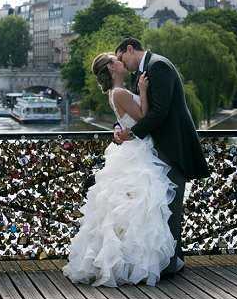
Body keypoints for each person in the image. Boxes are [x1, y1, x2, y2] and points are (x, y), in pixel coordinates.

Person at [63, 52, 180, 286]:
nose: (121, 61)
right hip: (137, 150)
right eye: (115, 60)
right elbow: (144, 117)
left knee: (127, 210)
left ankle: (126, 262)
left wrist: (120, 126)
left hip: (130, 148)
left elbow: (126, 120)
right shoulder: (120, 93)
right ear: (111, 69)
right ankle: (135, 264)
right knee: (139, 207)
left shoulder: (115, 93)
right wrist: (144, 91)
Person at [113, 37, 209, 277]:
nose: (123, 64)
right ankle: (169, 259)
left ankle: (170, 262)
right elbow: (140, 111)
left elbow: (160, 112)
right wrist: (121, 126)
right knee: (162, 206)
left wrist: (132, 134)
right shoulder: (147, 70)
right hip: (159, 148)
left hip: (173, 147)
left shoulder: (159, 66)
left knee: (171, 204)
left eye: (122, 57)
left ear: (130, 49)